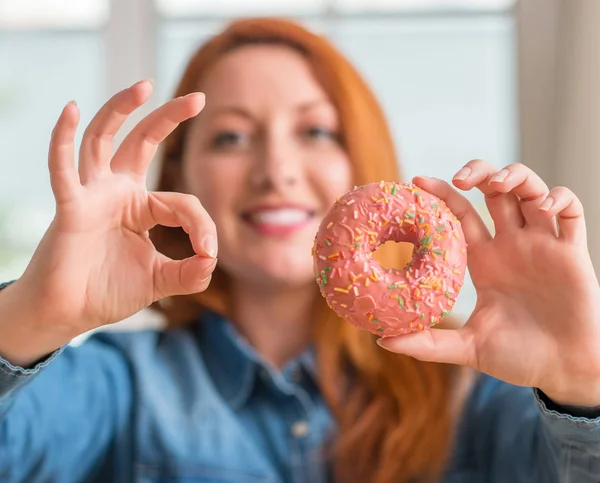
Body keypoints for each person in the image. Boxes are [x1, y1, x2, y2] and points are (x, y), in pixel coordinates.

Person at [0, 17, 599, 483]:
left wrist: (582, 384)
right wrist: (30, 318)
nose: (277, 170)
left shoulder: (475, 395)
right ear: (182, 173)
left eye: (315, 131)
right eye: (232, 137)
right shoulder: (119, 389)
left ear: (362, 159)